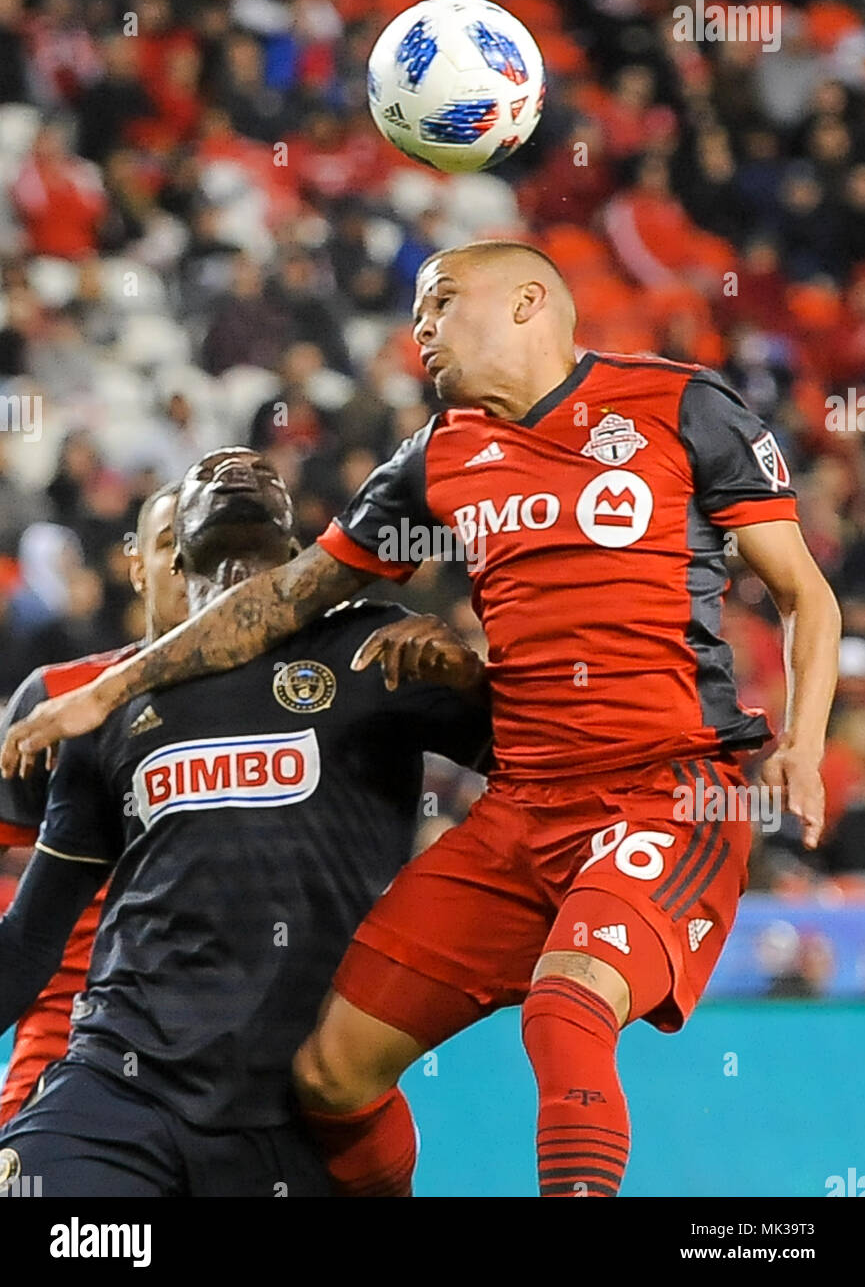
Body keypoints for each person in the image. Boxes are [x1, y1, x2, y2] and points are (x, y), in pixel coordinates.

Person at [1, 242, 841, 1198]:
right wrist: (111, 688)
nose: (422, 331)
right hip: (520, 812)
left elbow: (804, 596)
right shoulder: (437, 456)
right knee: (332, 1076)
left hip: (667, 792)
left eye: (440, 303)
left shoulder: (682, 405)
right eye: (412, 314)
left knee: (566, 1010)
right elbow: (286, 601)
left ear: (530, 302)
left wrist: (802, 747)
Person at [0, 448, 490, 1196]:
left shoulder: (374, 649)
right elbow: (31, 939)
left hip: (293, 1109)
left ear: (299, 557)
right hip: (121, 1091)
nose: (235, 468)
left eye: (261, 473)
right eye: (206, 475)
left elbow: (544, 765)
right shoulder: (102, 707)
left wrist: (476, 685)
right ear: (167, 551)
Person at [0, 481, 186, 1123]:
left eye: (210, 546)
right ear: (135, 567)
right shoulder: (56, 697)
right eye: (170, 544)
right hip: (70, 1038)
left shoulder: (303, 702)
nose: (193, 566)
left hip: (244, 1048)